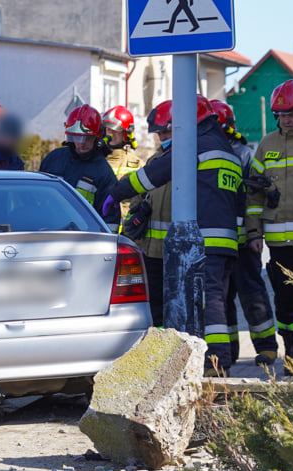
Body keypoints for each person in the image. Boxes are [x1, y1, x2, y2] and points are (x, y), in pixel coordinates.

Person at [109, 95, 241, 374]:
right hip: (227, 239)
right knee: (218, 301)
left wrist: (116, 192)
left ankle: (215, 365)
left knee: (210, 301)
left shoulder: (194, 146)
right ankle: (221, 362)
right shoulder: (226, 149)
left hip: (204, 239)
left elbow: (151, 176)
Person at [211, 100, 278, 366]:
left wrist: (253, 235)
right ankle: (229, 352)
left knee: (252, 293)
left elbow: (252, 200)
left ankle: (267, 346)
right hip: (218, 242)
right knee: (223, 298)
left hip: (241, 242)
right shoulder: (202, 154)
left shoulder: (244, 154)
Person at [247, 79, 293, 370]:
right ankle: (291, 348)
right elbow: (253, 192)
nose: (285, 119)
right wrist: (254, 232)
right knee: (285, 300)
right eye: (280, 114)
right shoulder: (267, 144)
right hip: (279, 242)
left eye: (291, 113)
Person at [121, 100, 173, 326]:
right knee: (155, 307)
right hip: (151, 250)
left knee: (177, 305)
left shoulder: (190, 160)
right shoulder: (154, 160)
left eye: (166, 131)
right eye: (159, 133)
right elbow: (137, 196)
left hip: (177, 251)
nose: (162, 137)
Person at [40, 104, 119, 226]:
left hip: (81, 238)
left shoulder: (103, 172)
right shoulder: (54, 159)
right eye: (76, 138)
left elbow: (110, 218)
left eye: (87, 139)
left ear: (98, 137)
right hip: (47, 230)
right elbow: (36, 197)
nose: (81, 144)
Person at [102, 105, 143, 179]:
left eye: (116, 130)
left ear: (126, 133)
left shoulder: (139, 165)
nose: (111, 134)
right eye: (109, 130)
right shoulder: (96, 161)